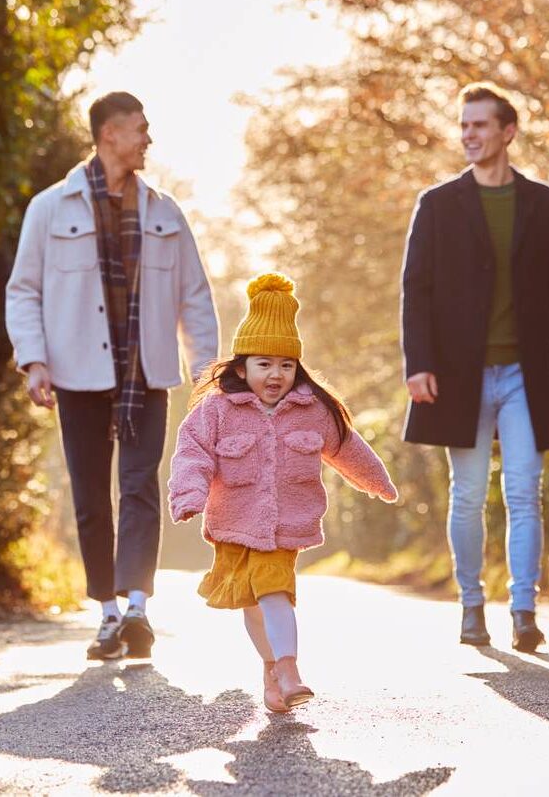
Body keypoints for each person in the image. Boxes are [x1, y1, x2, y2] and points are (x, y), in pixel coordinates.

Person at [6, 91, 218, 660]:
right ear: (108, 135)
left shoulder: (165, 212)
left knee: (140, 487)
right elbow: (24, 290)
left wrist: (208, 378)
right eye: (139, 129)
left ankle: (139, 610)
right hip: (77, 374)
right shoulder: (51, 209)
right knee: (92, 496)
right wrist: (34, 359)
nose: (148, 139)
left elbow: (195, 299)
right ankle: (106, 612)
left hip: (147, 375)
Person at [400, 81, 549, 653]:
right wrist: (419, 363)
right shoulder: (438, 204)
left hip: (524, 375)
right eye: (463, 126)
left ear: (508, 132)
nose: (469, 135)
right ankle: (471, 605)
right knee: (468, 494)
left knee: (525, 492)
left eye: (480, 125)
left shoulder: (544, 205)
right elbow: (417, 289)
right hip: (459, 374)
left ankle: (524, 610)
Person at [168, 273, 398, 711]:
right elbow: (191, 454)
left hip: (286, 525)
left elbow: (348, 448)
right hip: (234, 523)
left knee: (274, 589)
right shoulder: (216, 409)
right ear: (242, 367)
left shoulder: (313, 410)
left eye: (286, 365)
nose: (276, 374)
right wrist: (189, 496)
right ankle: (271, 671)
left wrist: (377, 482)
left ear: (298, 368)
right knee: (250, 603)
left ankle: (289, 669)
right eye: (265, 364)